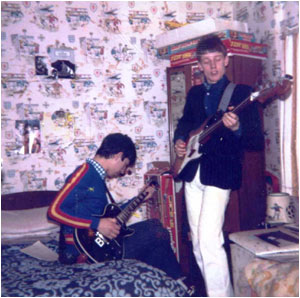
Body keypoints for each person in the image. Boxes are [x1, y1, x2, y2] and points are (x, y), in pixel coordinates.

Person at [173, 36, 264, 297]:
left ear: (226, 61)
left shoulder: (242, 93)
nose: (213, 67)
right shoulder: (195, 93)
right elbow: (184, 124)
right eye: (206, 62)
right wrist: (180, 141)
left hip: (221, 174)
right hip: (192, 172)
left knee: (210, 241)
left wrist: (236, 128)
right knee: (199, 244)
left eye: (217, 61)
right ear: (199, 65)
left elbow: (255, 140)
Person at [48, 133, 189, 288]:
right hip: (84, 253)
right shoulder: (85, 173)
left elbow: (112, 217)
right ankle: (180, 284)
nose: (122, 172)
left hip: (100, 245)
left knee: (155, 238)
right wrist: (97, 224)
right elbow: (55, 211)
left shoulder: (96, 177)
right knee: (154, 230)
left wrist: (141, 198)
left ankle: (175, 284)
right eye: (125, 165)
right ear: (118, 156)